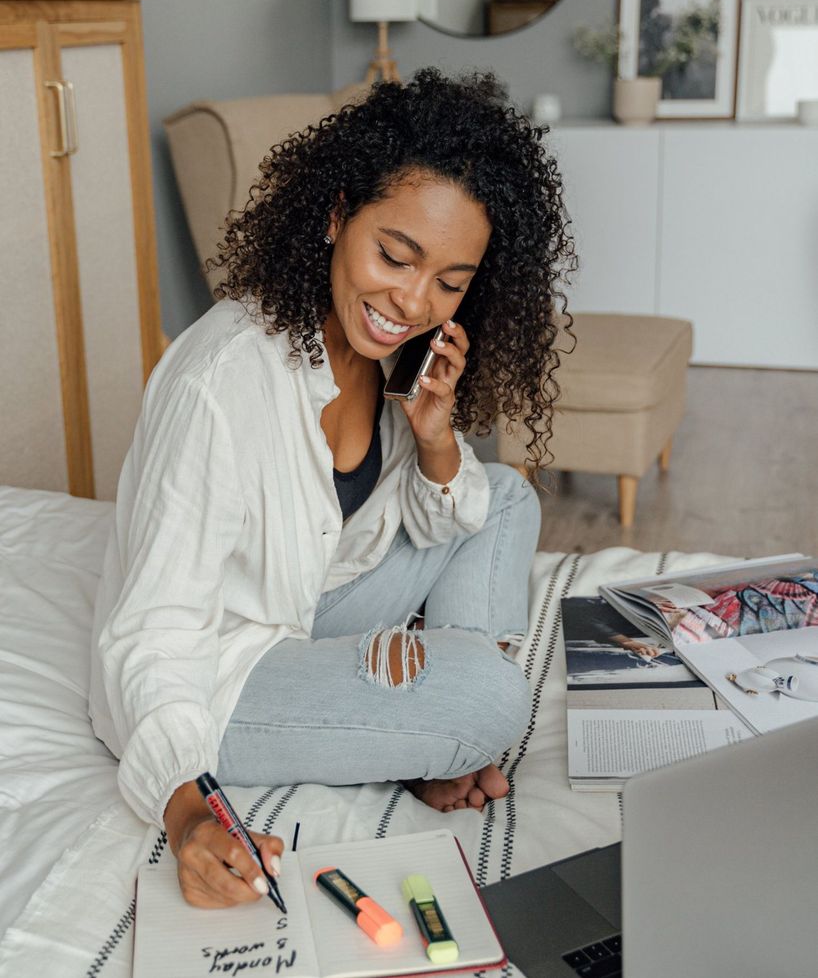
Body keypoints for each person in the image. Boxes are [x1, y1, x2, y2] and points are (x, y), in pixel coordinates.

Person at [88, 68, 575, 909]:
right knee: (491, 695)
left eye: (450, 282)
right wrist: (186, 814)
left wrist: (430, 438)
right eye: (395, 254)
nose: (413, 301)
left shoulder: (385, 354)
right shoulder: (223, 382)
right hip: (227, 669)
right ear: (334, 213)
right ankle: (446, 733)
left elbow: (414, 524)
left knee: (501, 495)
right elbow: (151, 631)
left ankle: (433, 741)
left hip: (316, 598)